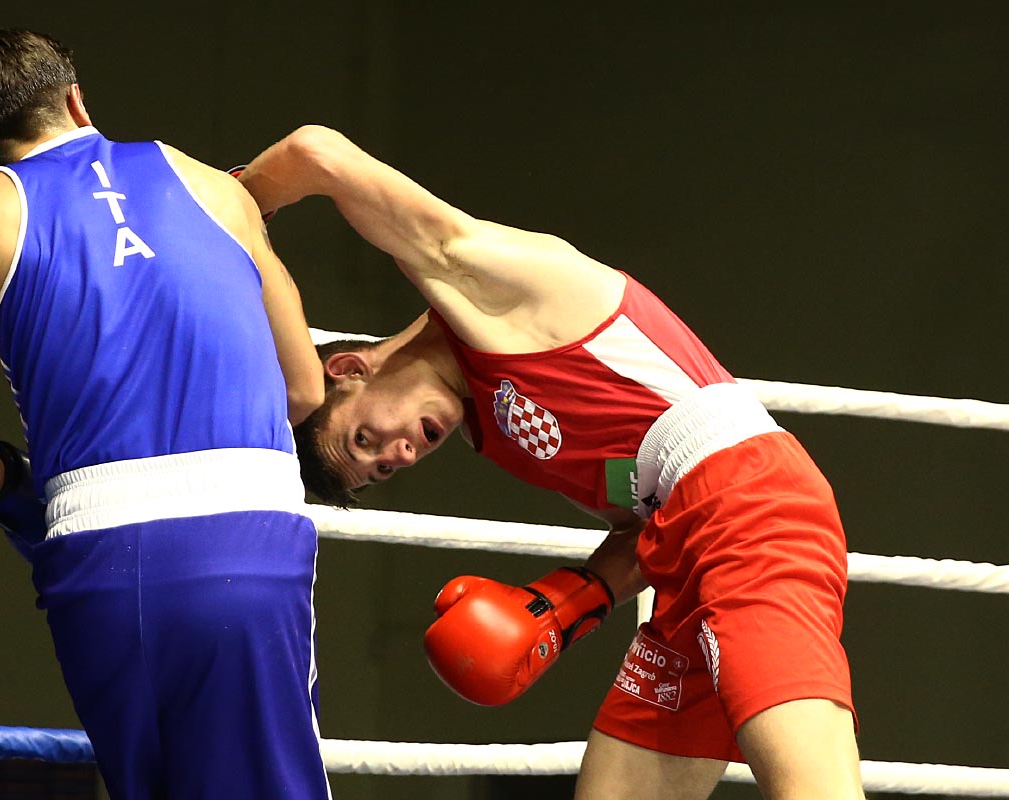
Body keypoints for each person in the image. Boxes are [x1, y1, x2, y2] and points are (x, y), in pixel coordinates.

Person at [236, 125, 864, 799]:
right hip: (684, 544)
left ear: (352, 368)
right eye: (385, 469)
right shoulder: (491, 431)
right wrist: (566, 604)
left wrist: (232, 213)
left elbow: (317, 154)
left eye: (365, 440)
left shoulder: (484, 282)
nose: (400, 453)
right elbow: (638, 532)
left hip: (750, 507)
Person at [0, 31, 330, 800]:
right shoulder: (213, 187)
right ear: (74, 99)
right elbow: (304, 389)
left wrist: (15, 495)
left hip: (94, 551)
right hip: (246, 538)